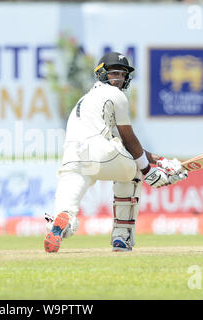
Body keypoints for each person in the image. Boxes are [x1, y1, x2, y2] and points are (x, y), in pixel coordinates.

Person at [44, 51, 188, 253]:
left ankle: (62, 222)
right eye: (114, 73)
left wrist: (160, 160)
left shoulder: (86, 100)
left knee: (67, 206)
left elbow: (125, 145)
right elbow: (129, 140)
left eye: (122, 74)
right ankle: (122, 238)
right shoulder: (116, 96)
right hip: (99, 152)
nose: (118, 79)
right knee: (134, 171)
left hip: (72, 158)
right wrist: (149, 172)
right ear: (101, 73)